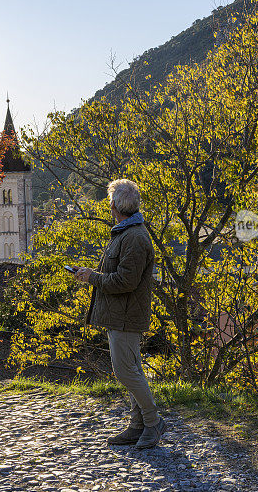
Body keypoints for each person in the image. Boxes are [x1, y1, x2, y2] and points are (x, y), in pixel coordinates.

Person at [72, 179, 167, 449]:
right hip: (121, 314)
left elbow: (126, 281)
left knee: (125, 373)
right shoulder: (126, 233)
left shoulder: (134, 237)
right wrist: (93, 275)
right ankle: (138, 426)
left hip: (126, 316)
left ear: (114, 205)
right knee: (133, 370)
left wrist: (92, 277)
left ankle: (153, 422)